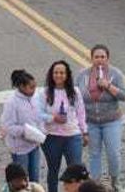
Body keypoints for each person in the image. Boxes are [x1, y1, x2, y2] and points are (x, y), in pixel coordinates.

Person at [74, 45, 125, 192]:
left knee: (113, 153)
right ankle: (95, 184)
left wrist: (109, 86)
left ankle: (115, 180)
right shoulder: (83, 75)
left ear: (107, 58)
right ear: (91, 58)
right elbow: (75, 96)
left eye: (103, 57)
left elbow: (124, 95)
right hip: (91, 121)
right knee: (94, 153)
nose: (99, 60)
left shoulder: (115, 74)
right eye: (96, 57)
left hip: (111, 120)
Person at [36, 60, 87, 192]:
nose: (58, 75)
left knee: (76, 169)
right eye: (56, 72)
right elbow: (38, 113)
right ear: (51, 75)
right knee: (53, 169)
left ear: (67, 75)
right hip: (52, 137)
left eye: (62, 73)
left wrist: (84, 132)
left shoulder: (74, 92)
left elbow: (81, 112)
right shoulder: (45, 93)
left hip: (73, 136)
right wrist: (53, 118)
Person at [0, 69, 44, 184]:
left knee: (35, 178)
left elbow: (40, 116)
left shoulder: (35, 98)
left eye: (35, 86)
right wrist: (24, 131)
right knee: (21, 180)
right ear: (21, 87)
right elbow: (8, 125)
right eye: (31, 87)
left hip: (34, 144)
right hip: (19, 147)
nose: (34, 90)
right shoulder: (12, 103)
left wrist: (40, 131)